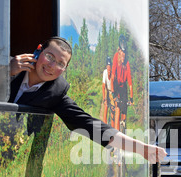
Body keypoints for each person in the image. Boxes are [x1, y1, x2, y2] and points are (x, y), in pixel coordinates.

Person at [9, 36, 166, 164]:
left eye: (60, 64)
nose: (51, 65)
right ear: (38, 50)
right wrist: (5, 71)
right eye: (50, 56)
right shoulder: (7, 65)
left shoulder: (55, 93)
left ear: (64, 70)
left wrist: (141, 148)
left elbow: (92, 126)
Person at [110, 35, 133, 131]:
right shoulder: (116, 56)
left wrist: (131, 97)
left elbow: (130, 81)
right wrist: (113, 92)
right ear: (119, 52)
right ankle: (115, 132)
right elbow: (112, 76)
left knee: (125, 106)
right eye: (121, 55)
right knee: (118, 107)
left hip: (123, 86)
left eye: (124, 55)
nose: (123, 57)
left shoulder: (126, 62)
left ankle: (123, 122)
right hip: (116, 85)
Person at [101, 57, 114, 124]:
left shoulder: (113, 72)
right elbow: (103, 86)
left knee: (112, 108)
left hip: (113, 91)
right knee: (106, 106)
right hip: (108, 90)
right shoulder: (105, 72)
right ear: (106, 67)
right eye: (108, 67)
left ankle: (112, 125)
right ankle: (104, 124)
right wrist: (104, 97)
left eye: (110, 67)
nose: (109, 68)